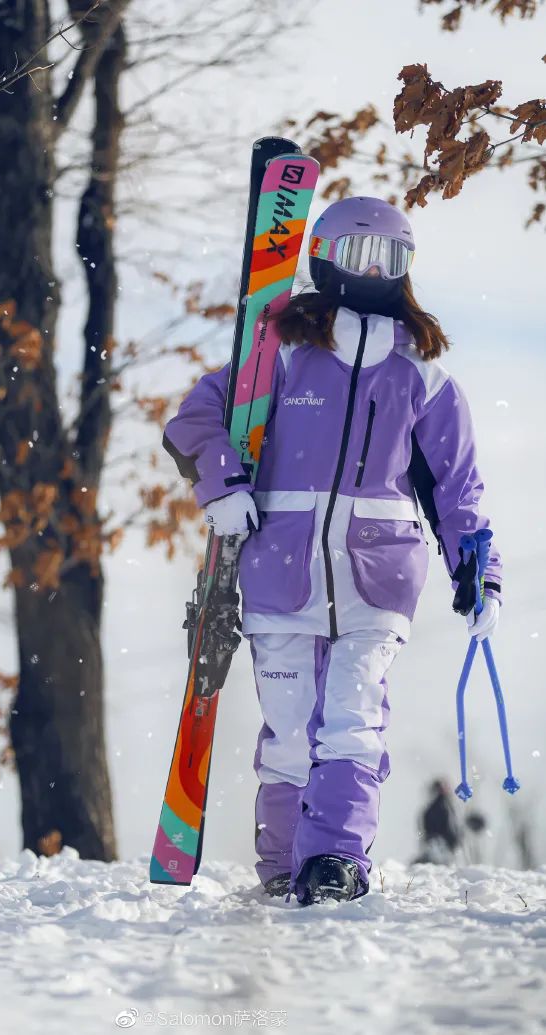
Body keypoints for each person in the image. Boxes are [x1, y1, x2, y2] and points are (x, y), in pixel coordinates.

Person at [162, 196, 503, 905]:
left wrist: (477, 569)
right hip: (278, 569)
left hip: (378, 576)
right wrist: (223, 484)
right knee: (290, 730)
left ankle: (335, 859)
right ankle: (286, 861)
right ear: (323, 258)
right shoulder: (282, 358)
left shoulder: (422, 376)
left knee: (350, 719)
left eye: (389, 260)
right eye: (358, 256)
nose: (373, 273)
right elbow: (195, 419)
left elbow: (458, 485)